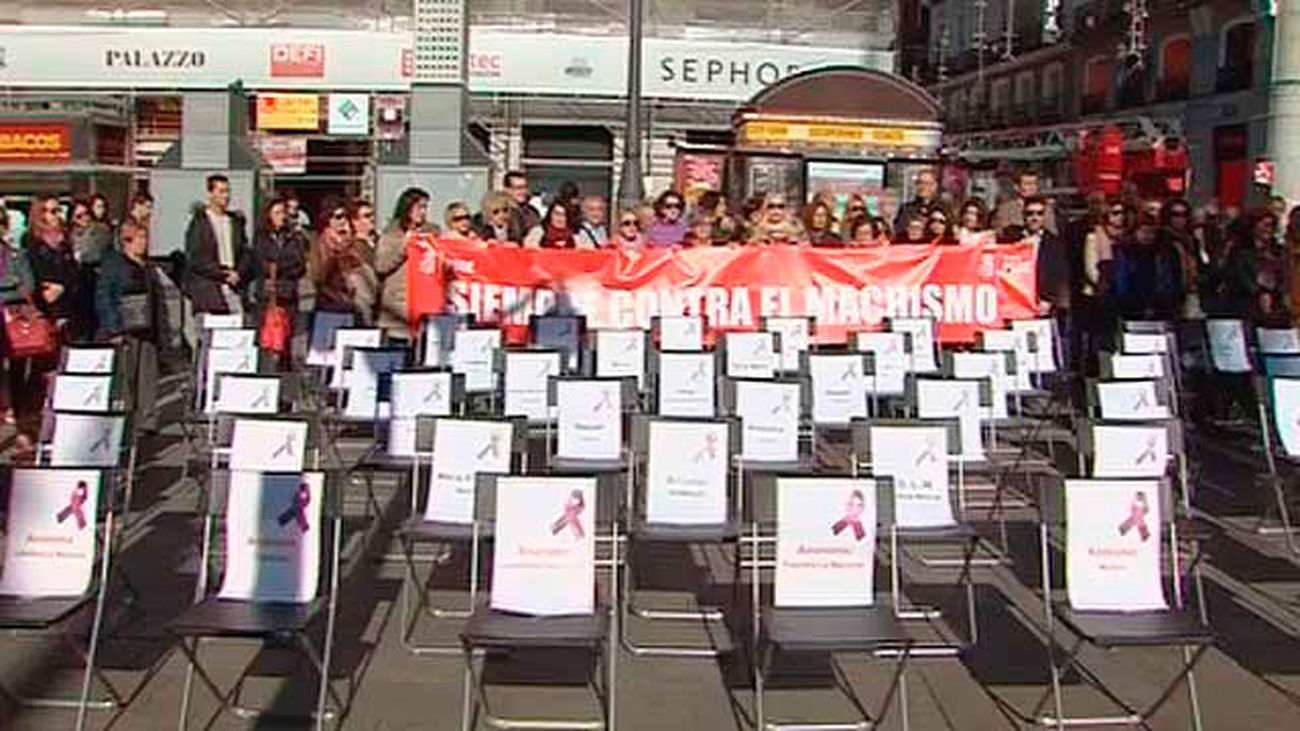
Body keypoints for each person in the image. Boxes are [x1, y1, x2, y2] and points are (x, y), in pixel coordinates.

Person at [96, 221, 164, 433]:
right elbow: (104, 297)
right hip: (125, 328)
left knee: (148, 377)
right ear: (127, 241)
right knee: (127, 377)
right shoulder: (114, 265)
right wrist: (113, 328)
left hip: (148, 328)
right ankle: (124, 420)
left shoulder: (148, 266)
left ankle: (147, 420)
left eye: (145, 238)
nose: (144, 243)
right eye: (140, 238)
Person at [252, 195, 308, 366]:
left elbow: (299, 264)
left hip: (288, 293)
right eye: (276, 213)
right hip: (268, 296)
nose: (281, 217)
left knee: (287, 338)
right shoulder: (261, 237)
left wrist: (278, 265)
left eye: (283, 212)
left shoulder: (293, 236)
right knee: (268, 337)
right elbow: (260, 262)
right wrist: (280, 265)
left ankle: (285, 370)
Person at [184, 174, 250, 317]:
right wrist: (222, 274)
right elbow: (196, 258)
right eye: (221, 191)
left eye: (227, 191)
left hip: (234, 286)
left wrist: (239, 272)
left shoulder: (234, 221)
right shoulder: (200, 223)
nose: (226, 196)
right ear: (210, 194)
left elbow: (245, 251)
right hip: (209, 290)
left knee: (236, 333)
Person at [24, 194, 85, 340]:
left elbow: (73, 271)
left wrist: (64, 286)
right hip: (44, 304)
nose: (54, 216)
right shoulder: (30, 240)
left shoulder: (65, 240)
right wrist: (42, 293)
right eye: (49, 211)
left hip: (67, 303)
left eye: (57, 210)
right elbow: (30, 271)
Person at [375, 187, 431, 342]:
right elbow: (381, 265)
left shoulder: (430, 233)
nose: (423, 212)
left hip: (422, 307)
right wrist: (403, 248)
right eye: (419, 207)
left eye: (426, 207)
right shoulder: (391, 234)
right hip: (397, 309)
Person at [1110, 213, 1184, 323]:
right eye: (1143, 231)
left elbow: (1170, 280)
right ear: (1135, 232)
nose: (1147, 236)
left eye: (1151, 232)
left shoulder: (1164, 252)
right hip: (1130, 307)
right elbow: (1121, 281)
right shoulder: (1125, 252)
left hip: (1161, 306)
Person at [0, 208, 34, 445]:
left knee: (17, 373)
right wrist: (10, 285)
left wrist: (7, 288)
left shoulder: (16, 255)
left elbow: (27, 285)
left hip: (13, 322)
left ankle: (20, 422)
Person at [993, 170, 1059, 236]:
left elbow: (1052, 232)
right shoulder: (1005, 209)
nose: (1032, 187)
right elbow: (999, 232)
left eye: (1035, 184)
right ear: (1017, 187)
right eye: (1028, 184)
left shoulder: (1046, 207)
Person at [893, 168, 944, 234]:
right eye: (919, 183)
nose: (922, 187)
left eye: (926, 183)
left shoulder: (944, 209)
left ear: (934, 186)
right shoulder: (906, 209)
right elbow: (899, 232)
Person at [504, 170, 539, 237]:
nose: (523, 192)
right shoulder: (498, 211)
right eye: (518, 188)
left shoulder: (532, 212)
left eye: (525, 187)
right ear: (507, 190)